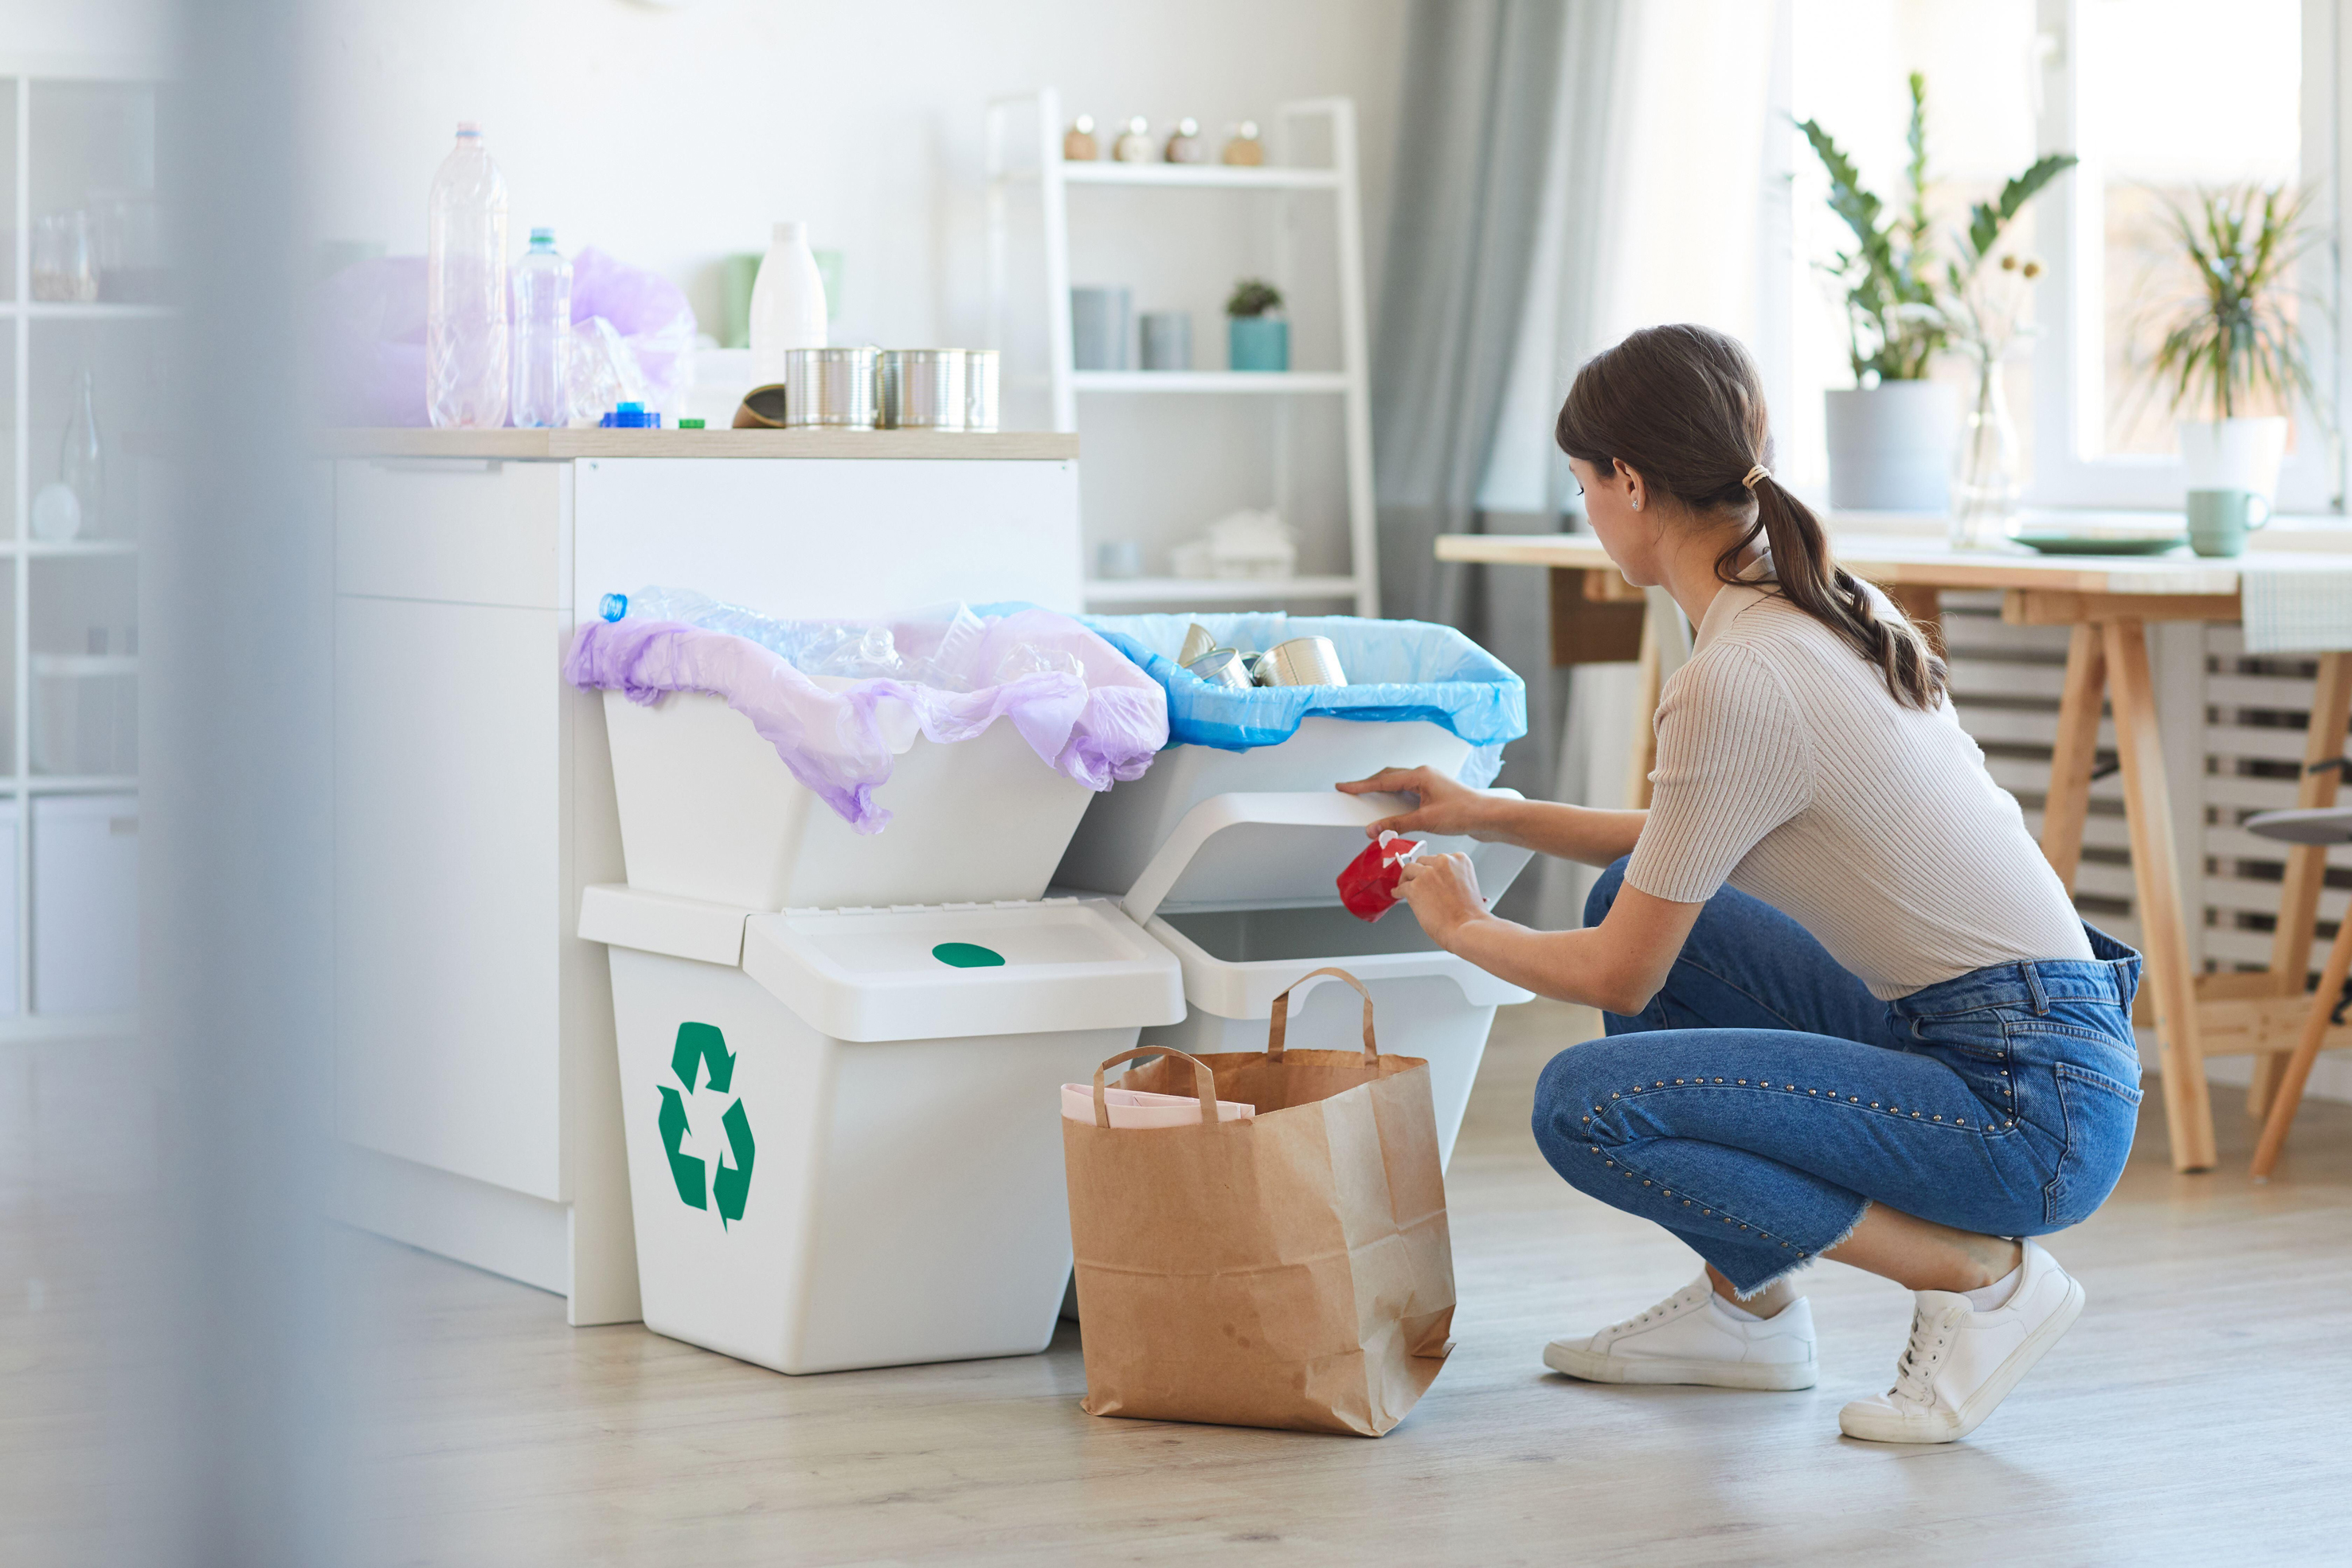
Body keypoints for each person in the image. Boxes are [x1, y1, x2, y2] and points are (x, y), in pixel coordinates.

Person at [1336, 323, 2141, 1445]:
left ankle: (1978, 1278)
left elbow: (1623, 965)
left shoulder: (1736, 675)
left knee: (1586, 1106)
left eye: (1581, 484)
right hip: (2037, 1047)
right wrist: (1491, 811)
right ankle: (1745, 1311)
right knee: (1635, 889)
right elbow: (1688, 844)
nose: (1583, 507)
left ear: (1628, 480)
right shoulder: (1818, 601)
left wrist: (1465, 926)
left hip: (2023, 1108)